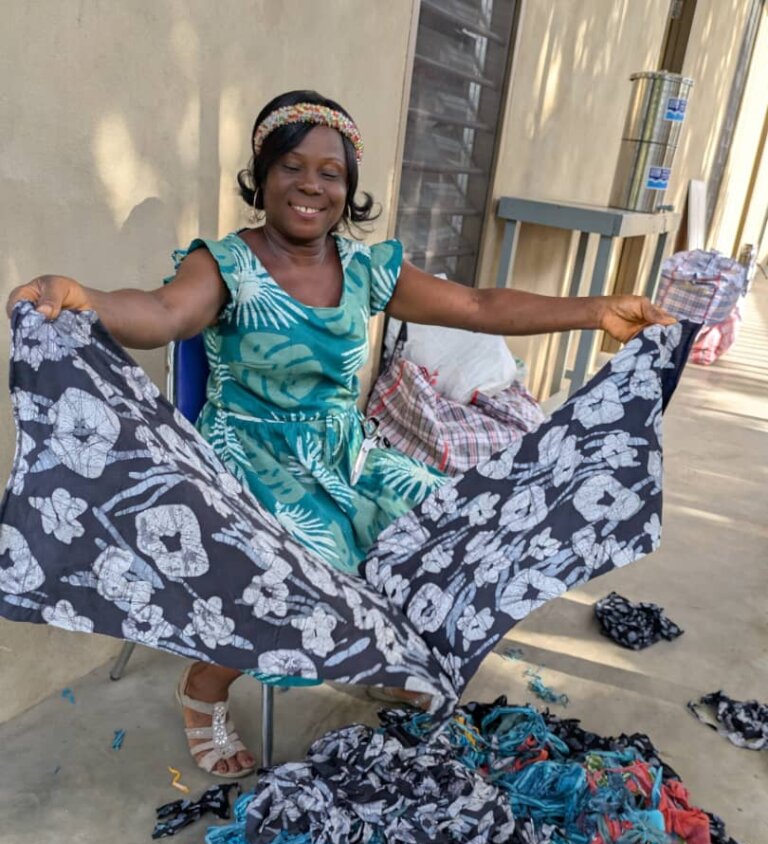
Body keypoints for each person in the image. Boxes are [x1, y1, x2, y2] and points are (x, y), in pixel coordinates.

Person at [6, 89, 675, 780]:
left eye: (330, 172)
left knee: (447, 518)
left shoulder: (364, 269)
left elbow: (478, 305)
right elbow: (163, 312)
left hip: (343, 453)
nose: (311, 185)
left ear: (348, 188)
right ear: (263, 176)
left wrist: (596, 310)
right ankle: (203, 688)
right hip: (249, 456)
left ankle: (382, 655)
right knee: (307, 564)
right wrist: (88, 300)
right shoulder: (227, 264)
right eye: (292, 166)